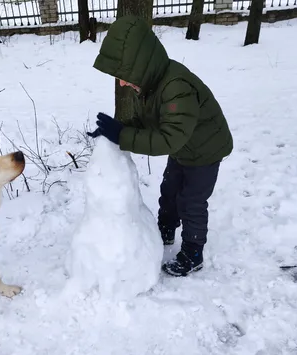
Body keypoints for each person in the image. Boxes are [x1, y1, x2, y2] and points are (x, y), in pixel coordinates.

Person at [87, 15, 233, 277]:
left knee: (191, 201)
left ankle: (193, 253)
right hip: (184, 148)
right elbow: (150, 120)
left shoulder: (177, 87)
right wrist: (119, 129)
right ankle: (164, 230)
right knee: (169, 191)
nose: (121, 82)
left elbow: (169, 138)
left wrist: (123, 135)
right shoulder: (153, 83)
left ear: (141, 66)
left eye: (124, 76)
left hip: (205, 150)